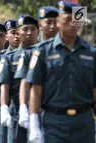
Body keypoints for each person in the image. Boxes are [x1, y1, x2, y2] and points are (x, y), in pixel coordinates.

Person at [27, 1, 96, 143]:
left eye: (76, 21)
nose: (72, 24)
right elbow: (36, 90)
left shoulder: (91, 53)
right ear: (58, 21)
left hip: (84, 123)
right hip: (54, 122)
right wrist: (33, 123)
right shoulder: (43, 51)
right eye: (67, 19)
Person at [13, 15, 39, 143]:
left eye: (33, 29)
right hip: (15, 111)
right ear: (18, 33)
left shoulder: (44, 53)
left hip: (40, 110)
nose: (29, 33)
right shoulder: (9, 58)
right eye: (25, 29)